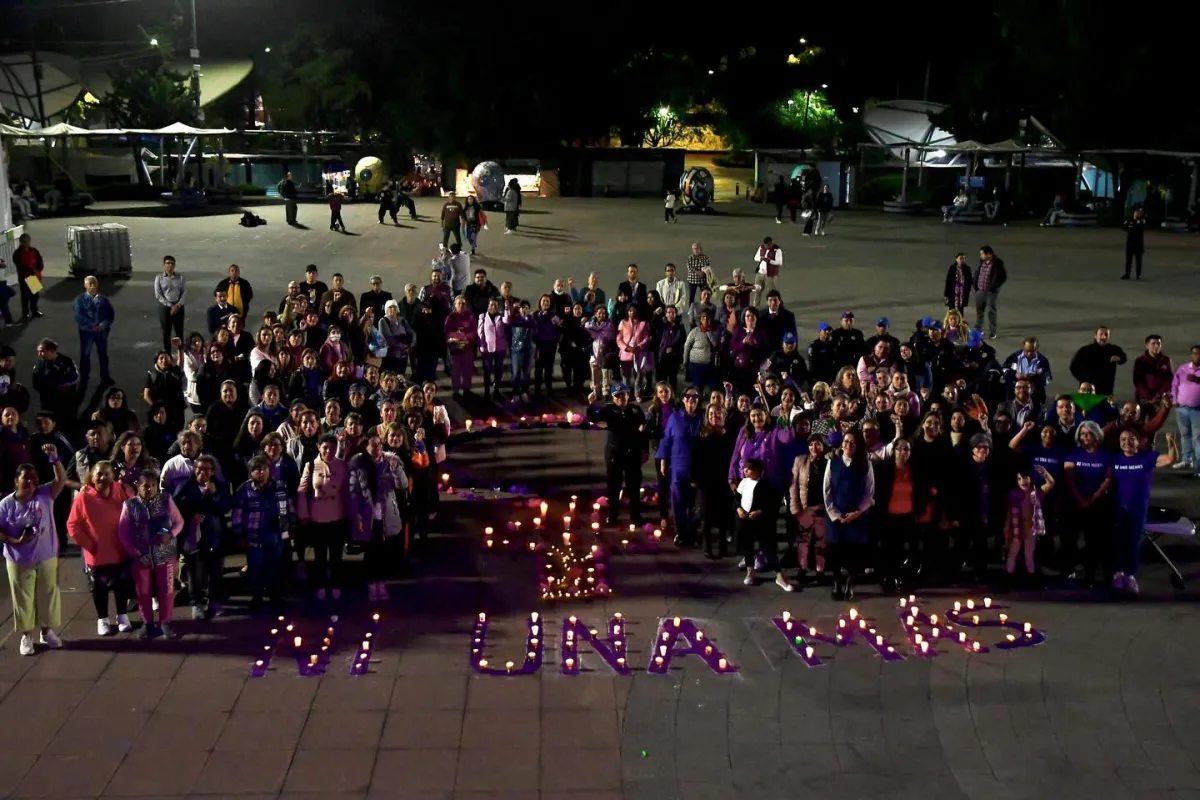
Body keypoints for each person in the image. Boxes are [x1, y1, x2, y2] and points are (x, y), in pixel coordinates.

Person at [0, 445, 68, 655]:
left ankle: (46, 631)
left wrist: (54, 459)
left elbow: (61, 481)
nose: (31, 482)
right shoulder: (5, 505)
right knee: (23, 598)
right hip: (19, 560)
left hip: (46, 557)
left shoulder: (45, 495)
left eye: (34, 478)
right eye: (26, 478)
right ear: (16, 480)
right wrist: (16, 539)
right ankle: (26, 636)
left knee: (48, 595)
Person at [67, 460, 135, 635]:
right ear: (92, 477)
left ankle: (122, 615)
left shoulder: (122, 491)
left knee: (122, 584)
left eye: (107, 473)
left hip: (121, 549)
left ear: (113, 475)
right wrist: (89, 545)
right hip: (97, 553)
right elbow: (73, 525)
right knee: (100, 587)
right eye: (99, 474)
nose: (103, 477)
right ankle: (103, 619)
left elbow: (135, 511)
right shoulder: (83, 497)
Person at [1110, 430, 1177, 594]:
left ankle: (1130, 575)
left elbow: (1170, 459)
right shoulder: (1114, 459)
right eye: (1123, 439)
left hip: (1138, 508)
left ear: (1138, 441)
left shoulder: (1147, 458)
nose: (1126, 442)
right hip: (1118, 508)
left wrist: (1171, 443)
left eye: (1131, 439)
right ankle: (1118, 574)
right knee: (1117, 541)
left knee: (1134, 542)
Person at [232, 455, 295, 610]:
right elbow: (237, 514)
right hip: (253, 536)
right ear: (251, 472)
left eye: (264, 468)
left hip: (275, 535)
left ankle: (275, 596)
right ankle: (257, 596)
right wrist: (239, 534)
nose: (261, 472)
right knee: (255, 568)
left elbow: (288, 507)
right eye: (257, 469)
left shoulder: (280, 486)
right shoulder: (244, 490)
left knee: (274, 566)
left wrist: (291, 527)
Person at [588, 383, 647, 526]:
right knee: (614, 486)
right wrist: (591, 403)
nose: (621, 398)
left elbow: (643, 431)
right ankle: (613, 515)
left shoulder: (635, 410)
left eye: (624, 394)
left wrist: (645, 450)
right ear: (614, 398)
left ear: (628, 394)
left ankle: (635, 514)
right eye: (618, 395)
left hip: (633, 453)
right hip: (615, 453)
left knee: (634, 485)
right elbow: (593, 418)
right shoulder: (608, 410)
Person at [1003, 466, 1054, 583]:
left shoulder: (1035, 492)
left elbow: (1051, 483)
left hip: (1031, 529)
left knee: (1029, 555)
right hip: (1016, 529)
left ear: (1030, 478)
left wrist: (1044, 473)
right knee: (1012, 554)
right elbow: (1009, 513)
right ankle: (1008, 579)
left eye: (1025, 478)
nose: (1022, 481)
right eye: (1019, 479)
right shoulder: (1013, 494)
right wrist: (1006, 529)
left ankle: (1032, 579)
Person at [1069, 326, 1128, 397]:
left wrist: (1119, 358)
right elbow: (1073, 366)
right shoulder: (1085, 350)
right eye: (1101, 334)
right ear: (1095, 336)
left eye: (1106, 334)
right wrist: (1083, 380)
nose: (1103, 337)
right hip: (1088, 389)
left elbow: (1124, 358)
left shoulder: (1114, 349)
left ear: (1109, 337)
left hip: (1106, 388)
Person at [1171, 344, 1200, 474]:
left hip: (1197, 410)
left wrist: (1197, 380)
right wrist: (1174, 400)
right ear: (1191, 355)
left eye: (1199, 353)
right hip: (1181, 408)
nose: (1196, 356)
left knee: (1198, 437)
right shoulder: (1182, 369)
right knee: (1185, 435)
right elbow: (1174, 385)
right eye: (1194, 353)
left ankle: (1198, 465)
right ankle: (1187, 459)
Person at [154, 255, 187, 352]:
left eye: (172, 263)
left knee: (179, 332)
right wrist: (170, 305)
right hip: (165, 307)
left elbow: (184, 293)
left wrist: (177, 305)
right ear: (164, 265)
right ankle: (167, 353)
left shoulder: (180, 278)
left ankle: (181, 353)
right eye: (168, 263)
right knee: (166, 332)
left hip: (178, 307)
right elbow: (158, 295)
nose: (170, 265)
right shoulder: (159, 278)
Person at [973, 246, 1006, 340]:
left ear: (989, 254)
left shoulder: (997, 263)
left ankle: (993, 331)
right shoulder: (982, 263)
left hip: (990, 292)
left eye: (982, 254)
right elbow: (978, 273)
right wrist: (975, 284)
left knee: (991, 311)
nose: (981, 255)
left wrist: (994, 286)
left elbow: (1003, 277)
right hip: (980, 291)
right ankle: (978, 328)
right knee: (979, 311)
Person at [12, 232, 44, 322]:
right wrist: (29, 270)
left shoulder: (33, 250)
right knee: (25, 296)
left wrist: (39, 268)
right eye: (24, 241)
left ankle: (34, 311)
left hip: (34, 276)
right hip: (24, 276)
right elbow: (19, 264)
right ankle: (25, 313)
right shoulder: (17, 253)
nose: (26, 242)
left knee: (35, 295)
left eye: (27, 240)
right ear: (21, 241)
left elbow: (39, 260)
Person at [752, 236, 783, 304]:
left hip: (770, 275)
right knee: (757, 290)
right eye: (765, 245)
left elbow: (779, 262)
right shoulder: (761, 248)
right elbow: (755, 257)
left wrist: (769, 261)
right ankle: (756, 305)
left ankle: (776, 305)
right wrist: (760, 258)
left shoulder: (777, 250)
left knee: (772, 292)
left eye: (768, 245)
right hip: (760, 273)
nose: (766, 246)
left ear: (771, 243)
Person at [1122, 207, 1146, 280]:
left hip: (1138, 244)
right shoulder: (1130, 219)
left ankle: (1138, 275)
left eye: (1140, 213)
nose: (1139, 213)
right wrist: (1130, 225)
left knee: (1138, 261)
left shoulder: (1142, 220)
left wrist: (1131, 225)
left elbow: (1138, 228)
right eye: (1137, 212)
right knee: (1128, 260)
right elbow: (1125, 227)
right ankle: (1127, 274)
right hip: (1130, 243)